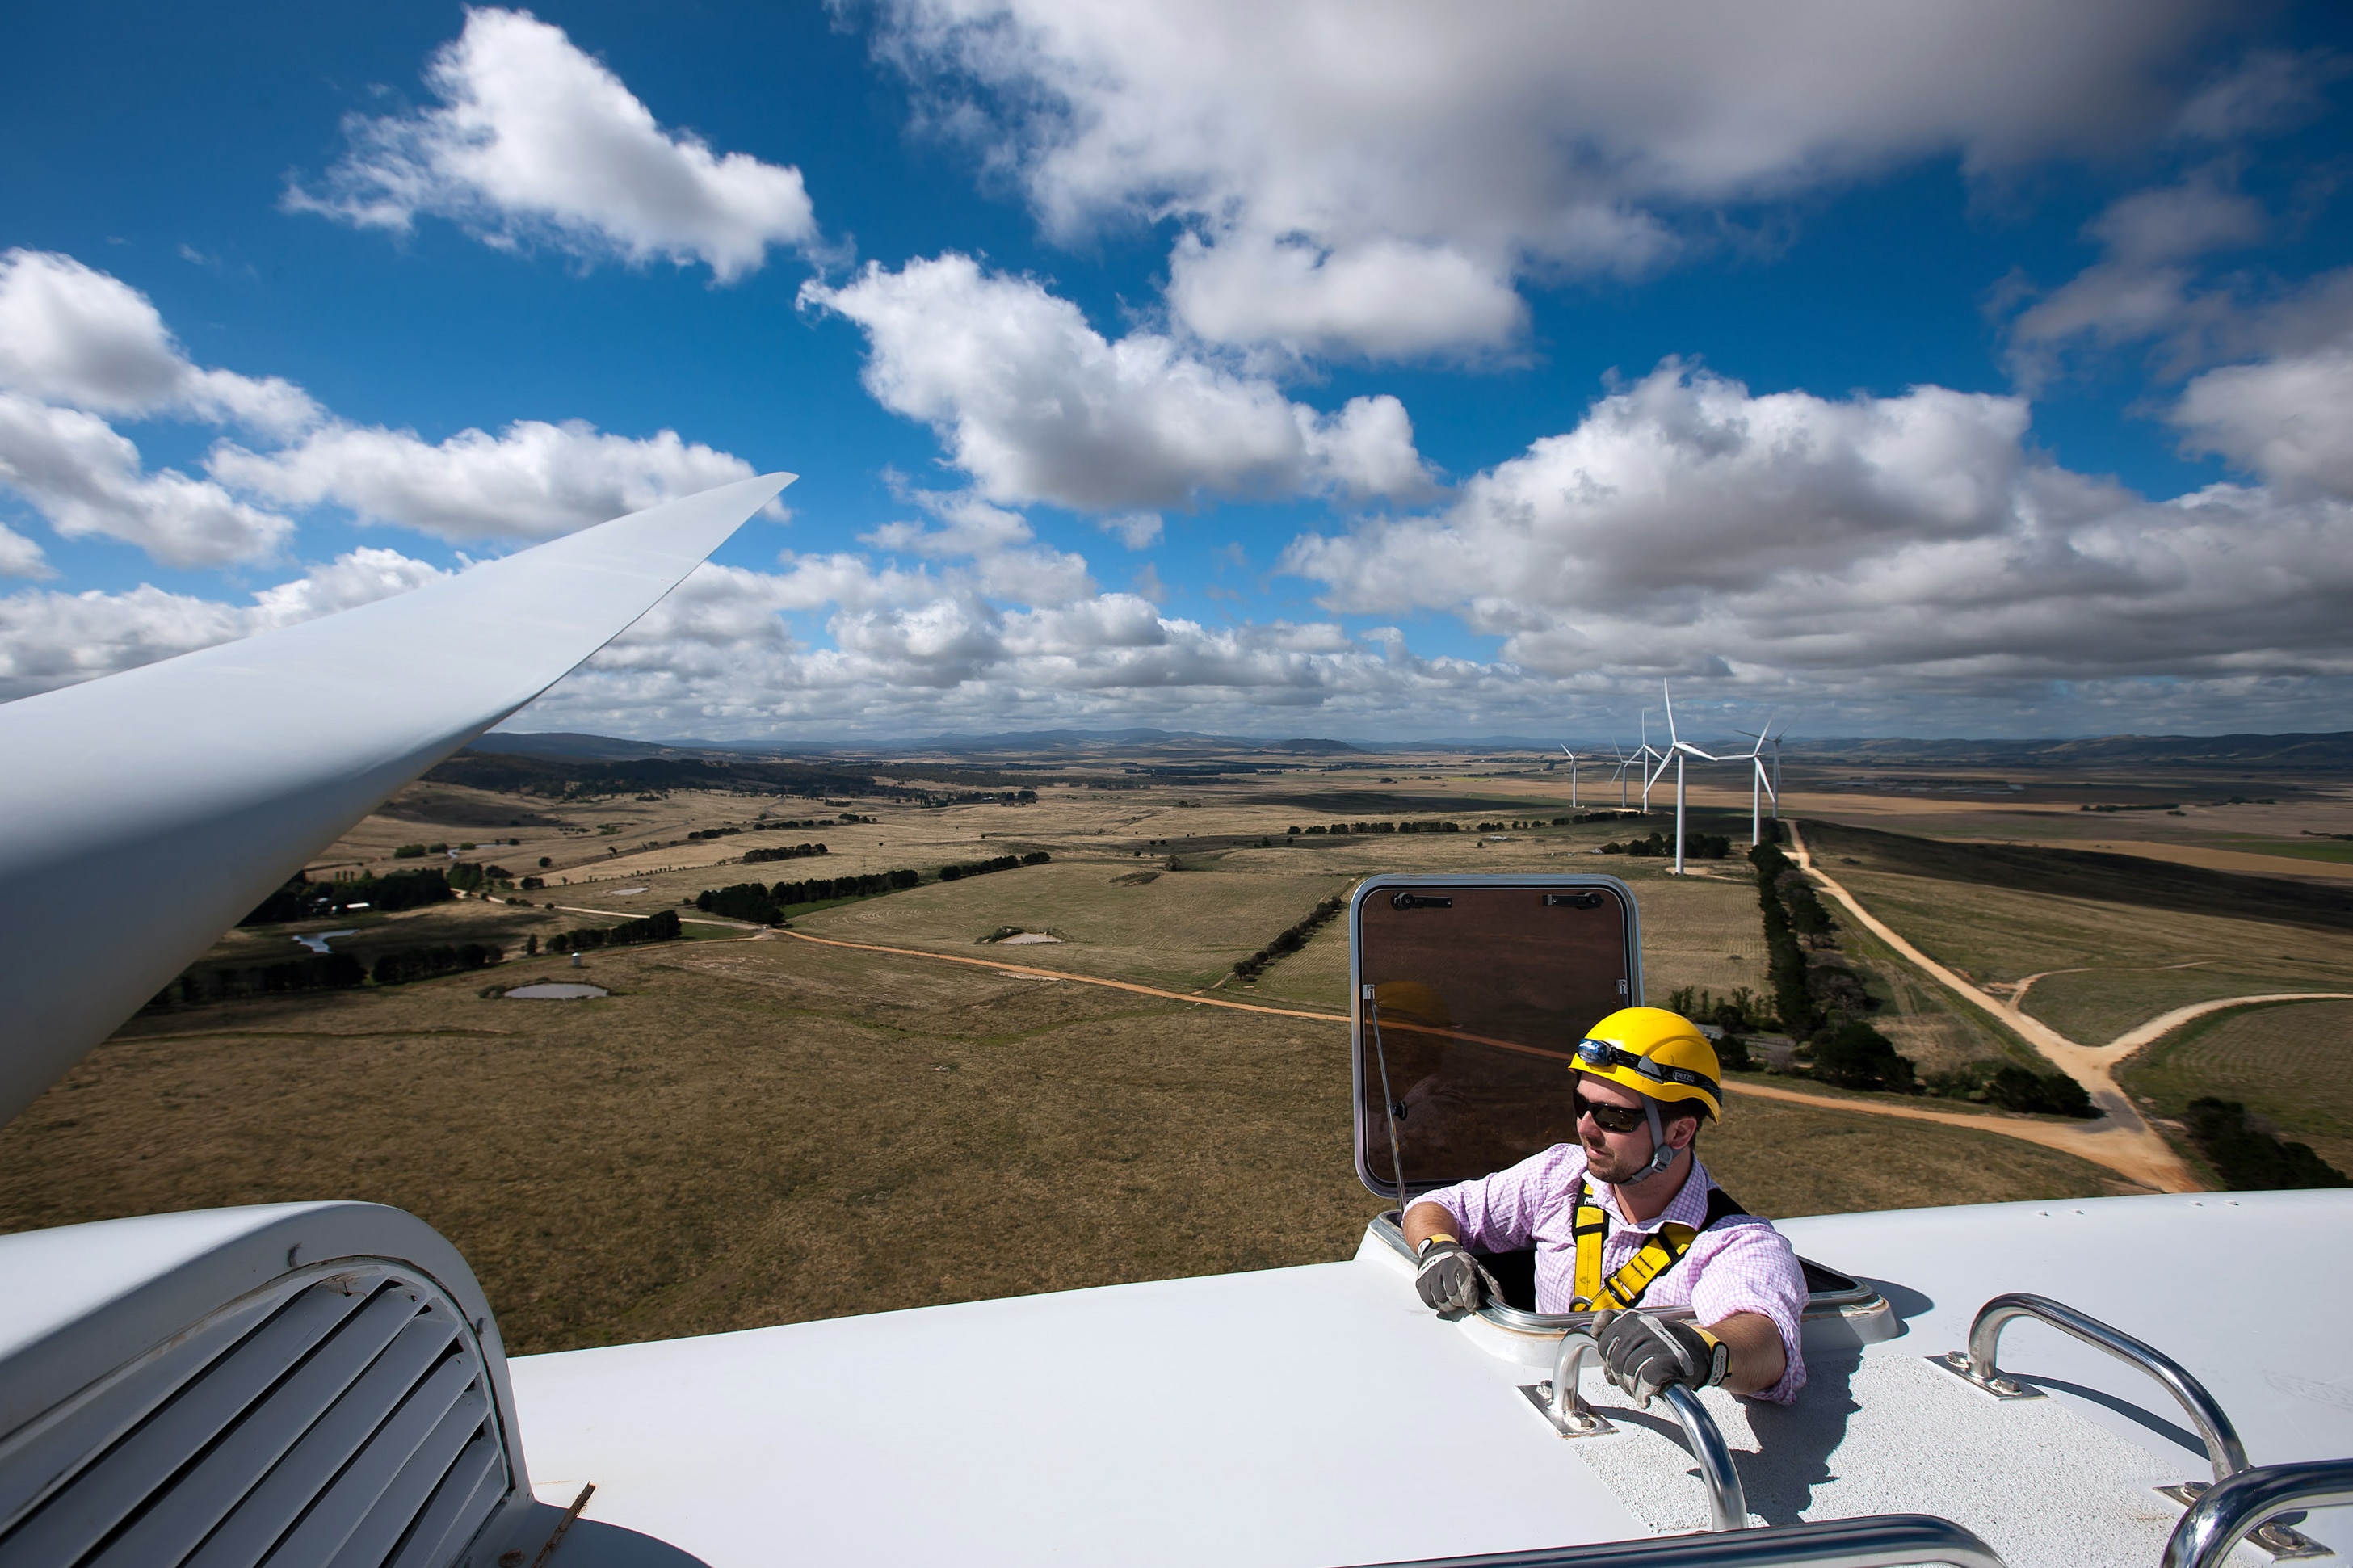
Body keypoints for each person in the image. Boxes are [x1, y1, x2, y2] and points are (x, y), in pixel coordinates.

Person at [1400, 1006, 1808, 1406]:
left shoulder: (1734, 1242)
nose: (1585, 1128)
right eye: (1582, 1105)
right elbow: (1440, 1205)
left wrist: (1700, 1350)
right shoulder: (1561, 1173)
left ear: (1680, 1132)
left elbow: (1769, 1345)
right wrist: (1437, 1247)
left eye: (1614, 1117)